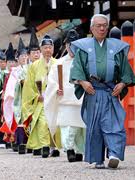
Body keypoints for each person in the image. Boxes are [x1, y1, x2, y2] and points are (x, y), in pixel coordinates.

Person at [69, 14, 135, 169]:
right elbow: (77, 68)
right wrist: (82, 82)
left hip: (109, 92)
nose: (101, 28)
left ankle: (114, 154)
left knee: (115, 124)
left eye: (104, 25)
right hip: (93, 92)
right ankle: (97, 158)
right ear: (91, 28)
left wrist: (122, 84)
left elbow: (126, 72)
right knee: (95, 126)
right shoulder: (83, 48)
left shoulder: (116, 47)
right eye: (98, 25)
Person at [44, 29, 86, 162]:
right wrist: (56, 89)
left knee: (81, 129)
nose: (71, 47)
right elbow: (51, 81)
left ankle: (80, 151)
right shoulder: (59, 64)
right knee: (68, 128)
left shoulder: (85, 62)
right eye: (69, 44)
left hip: (81, 100)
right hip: (65, 100)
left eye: (74, 44)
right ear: (66, 46)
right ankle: (69, 150)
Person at [21, 34, 60, 158]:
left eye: (50, 47)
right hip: (42, 100)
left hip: (55, 100)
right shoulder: (34, 66)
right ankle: (44, 146)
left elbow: (62, 82)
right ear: (41, 49)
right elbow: (28, 86)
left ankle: (53, 147)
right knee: (43, 122)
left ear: (53, 49)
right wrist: (37, 96)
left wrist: (59, 91)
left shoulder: (58, 64)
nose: (48, 50)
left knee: (54, 124)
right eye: (45, 48)